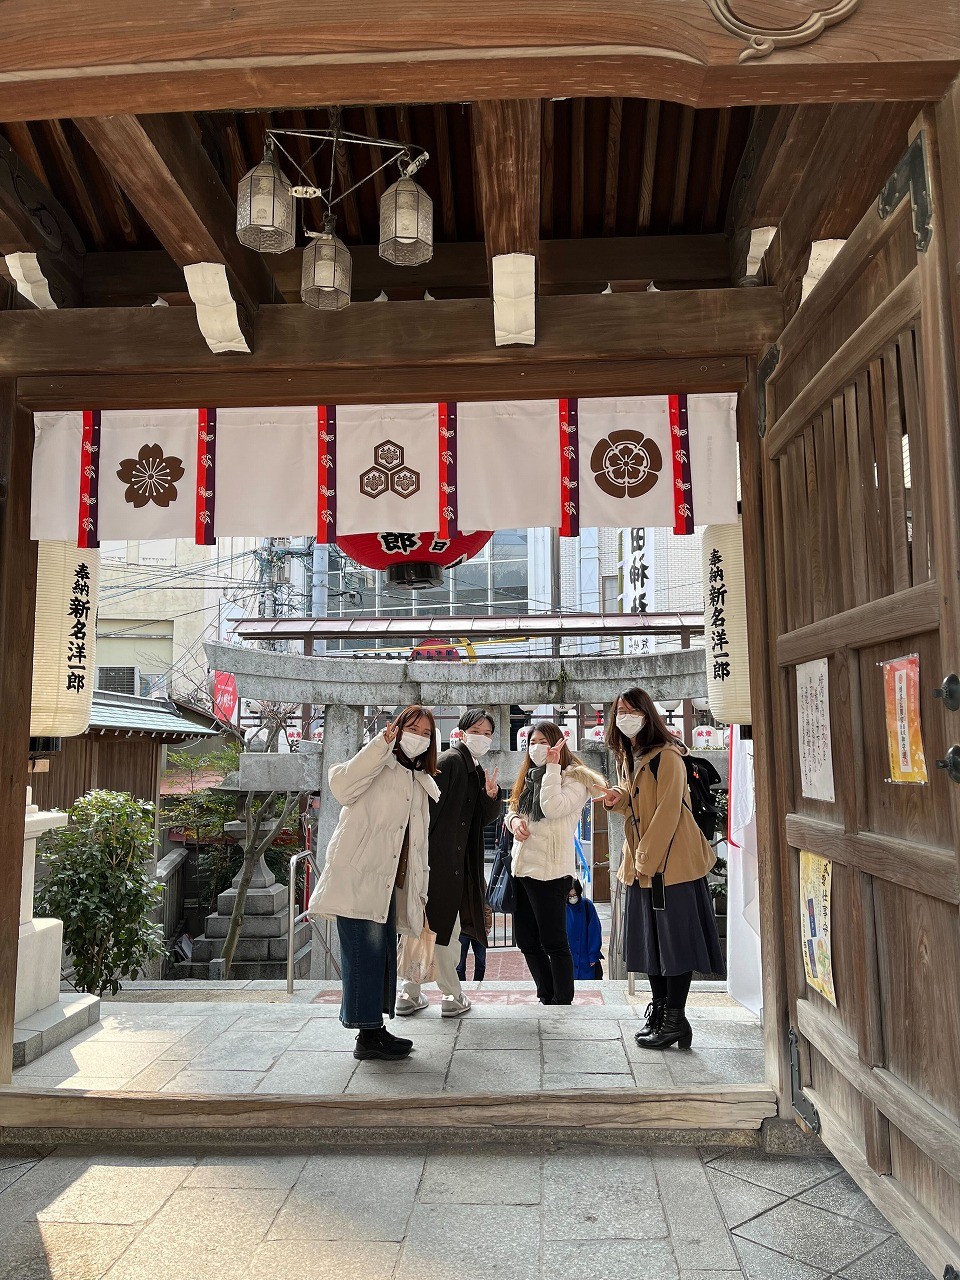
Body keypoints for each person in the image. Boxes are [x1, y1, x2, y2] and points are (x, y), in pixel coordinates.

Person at [307, 705, 439, 1061]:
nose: (420, 738)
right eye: (413, 728)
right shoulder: (377, 763)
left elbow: (418, 844)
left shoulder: (420, 779)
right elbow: (342, 786)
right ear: (394, 728)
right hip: (358, 878)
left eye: (427, 734)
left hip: (389, 887)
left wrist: (420, 891)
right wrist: (380, 745)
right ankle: (367, 1036)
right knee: (363, 955)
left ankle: (374, 1031)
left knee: (379, 958)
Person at [599, 687, 724, 1051]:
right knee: (651, 944)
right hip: (644, 865)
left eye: (631, 709)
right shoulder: (631, 754)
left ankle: (675, 1019)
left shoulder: (667, 756)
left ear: (646, 713)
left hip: (671, 867)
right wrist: (617, 799)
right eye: (618, 710)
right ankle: (661, 1017)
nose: (624, 716)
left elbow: (668, 812)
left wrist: (645, 863)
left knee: (675, 944)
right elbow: (635, 804)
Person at [397, 708, 501, 1018]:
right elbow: (424, 815)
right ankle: (451, 994)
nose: (482, 737)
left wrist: (491, 796)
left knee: (425, 927)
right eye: (477, 731)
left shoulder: (472, 769)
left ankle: (409, 992)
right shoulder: (451, 762)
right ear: (462, 730)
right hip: (438, 864)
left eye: (488, 733)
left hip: (449, 863)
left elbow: (479, 819)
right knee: (443, 931)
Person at [504, 722, 606, 1005]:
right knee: (526, 940)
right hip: (522, 867)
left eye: (544, 741)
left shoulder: (575, 779)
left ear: (559, 744)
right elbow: (512, 808)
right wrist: (513, 822)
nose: (537, 747)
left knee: (554, 942)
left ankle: (562, 998)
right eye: (532, 741)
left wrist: (551, 768)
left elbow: (552, 807)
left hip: (550, 872)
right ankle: (546, 994)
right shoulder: (530, 776)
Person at [566, 879, 604, 980]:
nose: (572, 898)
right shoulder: (562, 908)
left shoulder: (587, 905)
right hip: (568, 958)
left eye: (574, 895)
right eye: (569, 896)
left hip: (586, 959)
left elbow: (595, 931)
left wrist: (593, 955)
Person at [457, 903, 493, 983]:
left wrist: (487, 925)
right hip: (463, 928)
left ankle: (477, 983)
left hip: (479, 929)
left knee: (480, 962)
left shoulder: (481, 890)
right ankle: (463, 985)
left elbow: (487, 905)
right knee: (460, 963)